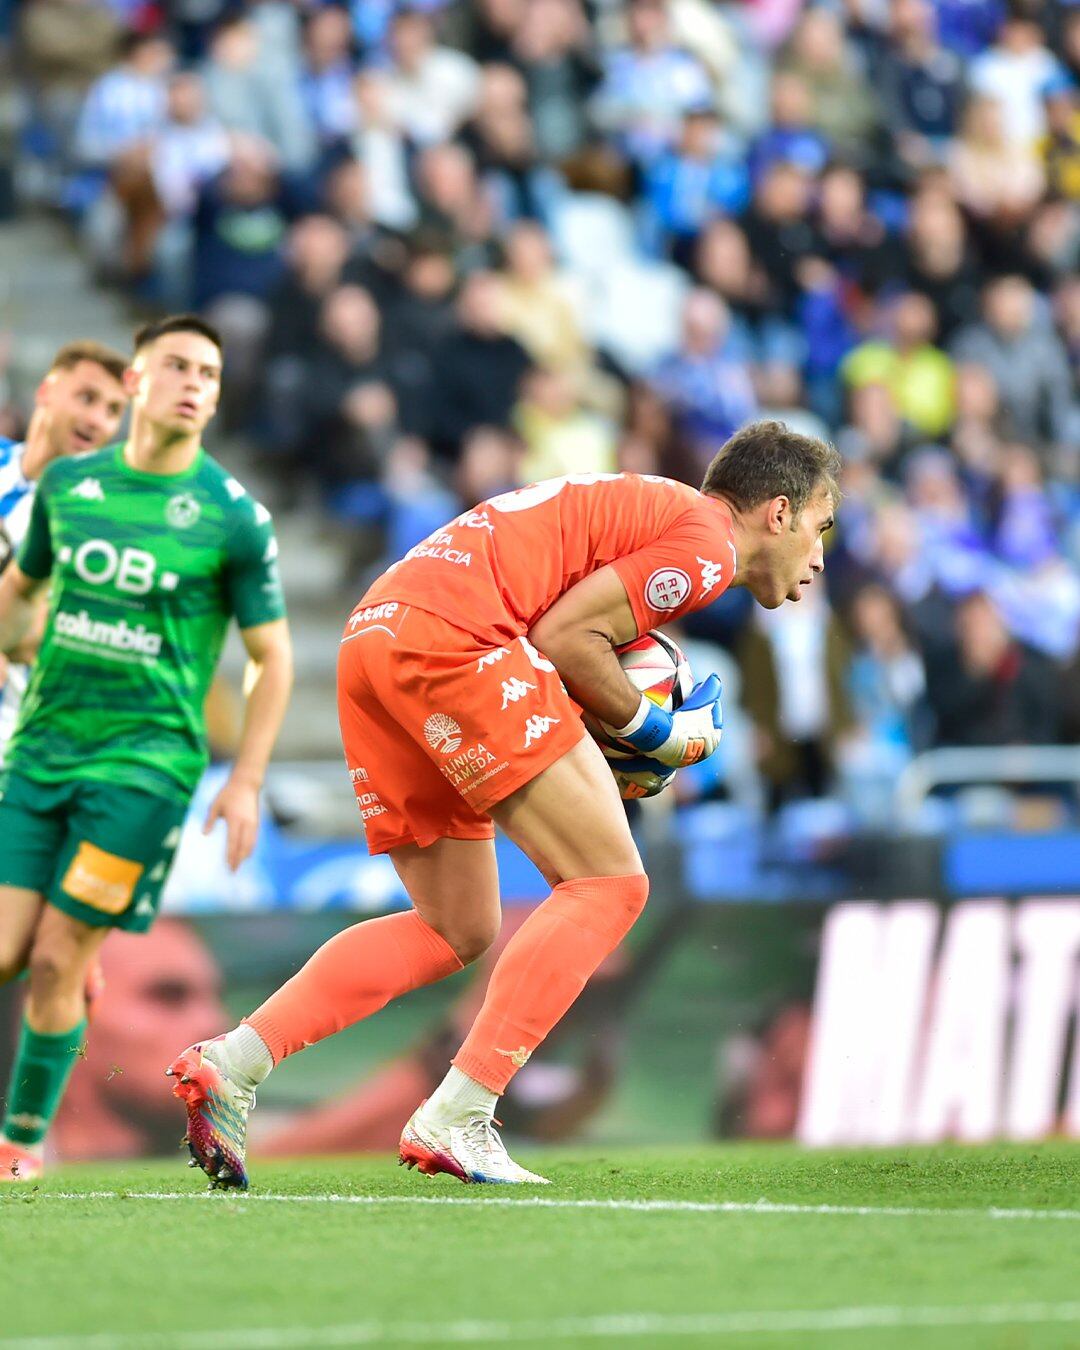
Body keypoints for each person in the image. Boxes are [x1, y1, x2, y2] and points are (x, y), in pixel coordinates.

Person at [170, 419, 838, 1189]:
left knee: (454, 926)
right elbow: (566, 636)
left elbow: (557, 630)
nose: (818, 557)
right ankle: (461, 1113)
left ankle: (234, 1063)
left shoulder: (655, 510)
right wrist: (655, 730)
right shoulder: (708, 543)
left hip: (381, 633)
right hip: (457, 636)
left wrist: (598, 727)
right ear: (777, 513)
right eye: (820, 528)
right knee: (611, 884)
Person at [0, 314, 293, 1183]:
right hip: (40, 752)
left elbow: (272, 655)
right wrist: (18, 634)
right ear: (138, 381)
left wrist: (243, 780)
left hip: (145, 770)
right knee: (11, 951)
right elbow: (18, 593)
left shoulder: (234, 518)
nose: (193, 382)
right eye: (175, 365)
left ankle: (20, 1141)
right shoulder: (70, 491)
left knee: (57, 957)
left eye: (208, 371)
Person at [0, 340, 128, 761]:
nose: (96, 420)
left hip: (22, 741)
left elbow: (37, 636)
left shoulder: (96, 529)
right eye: (87, 398)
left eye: (112, 411)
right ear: (46, 391)